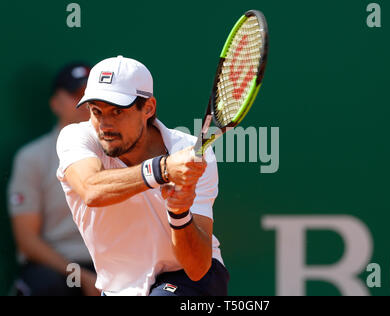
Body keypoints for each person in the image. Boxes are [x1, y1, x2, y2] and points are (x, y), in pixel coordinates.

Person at [55, 55, 229, 296]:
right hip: (119, 288)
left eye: (117, 112)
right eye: (96, 112)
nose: (105, 124)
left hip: (187, 280)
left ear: (148, 108)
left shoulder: (191, 153)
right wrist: (163, 169)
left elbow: (198, 268)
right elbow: (92, 190)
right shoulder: (76, 137)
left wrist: (180, 213)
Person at [7, 63, 99, 296]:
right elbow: (27, 240)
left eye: (89, 95)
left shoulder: (119, 152)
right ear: (55, 103)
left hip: (110, 265)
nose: (83, 102)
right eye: (75, 94)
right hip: (57, 268)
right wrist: (82, 276)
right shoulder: (32, 157)